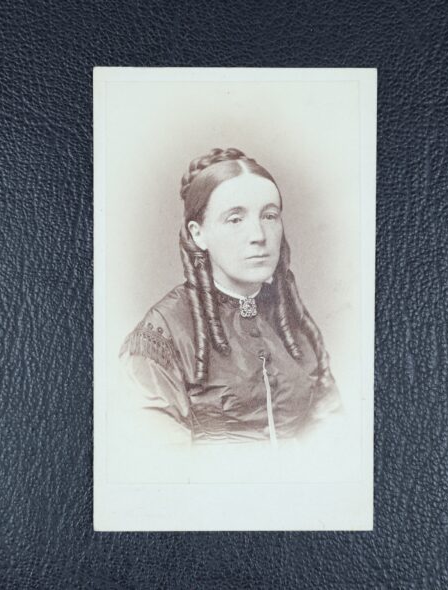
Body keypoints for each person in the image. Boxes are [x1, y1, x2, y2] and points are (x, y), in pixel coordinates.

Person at [119, 147, 342, 447]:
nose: (259, 235)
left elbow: (334, 435)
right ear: (198, 234)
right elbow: (156, 455)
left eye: (269, 216)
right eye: (235, 219)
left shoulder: (292, 320)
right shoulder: (162, 333)